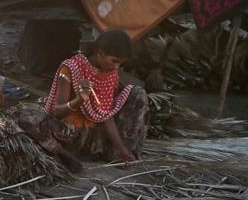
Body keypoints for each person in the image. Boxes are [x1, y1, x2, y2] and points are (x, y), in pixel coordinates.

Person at [19, 29, 150, 171]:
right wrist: (78, 100)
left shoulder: (110, 74)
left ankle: (119, 154)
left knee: (138, 94)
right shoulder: (70, 68)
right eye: (114, 61)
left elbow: (106, 114)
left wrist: (123, 149)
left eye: (120, 63)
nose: (116, 67)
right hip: (71, 134)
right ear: (101, 52)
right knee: (27, 118)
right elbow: (57, 112)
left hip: (94, 136)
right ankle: (63, 154)